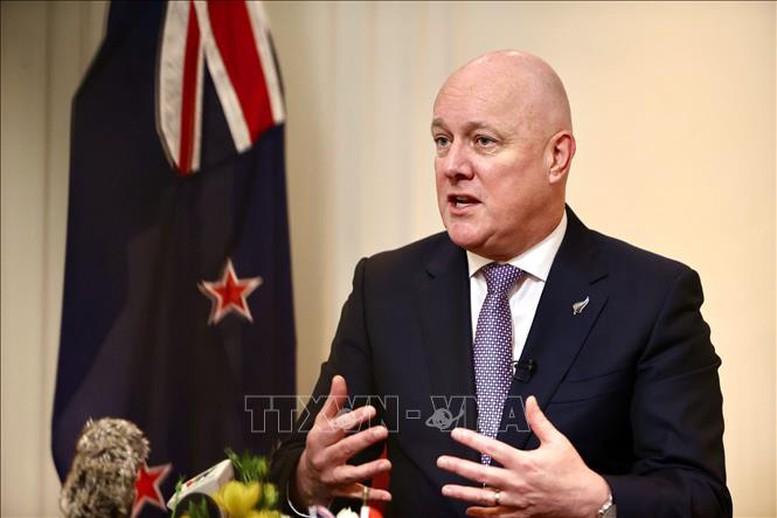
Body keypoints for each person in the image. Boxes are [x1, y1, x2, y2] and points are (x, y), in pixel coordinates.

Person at [270, 50, 732, 517]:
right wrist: (308, 478)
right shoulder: (385, 288)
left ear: (556, 157)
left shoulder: (652, 298)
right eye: (442, 140)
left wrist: (595, 500)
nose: (452, 165)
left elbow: (700, 497)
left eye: (483, 141)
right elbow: (298, 465)